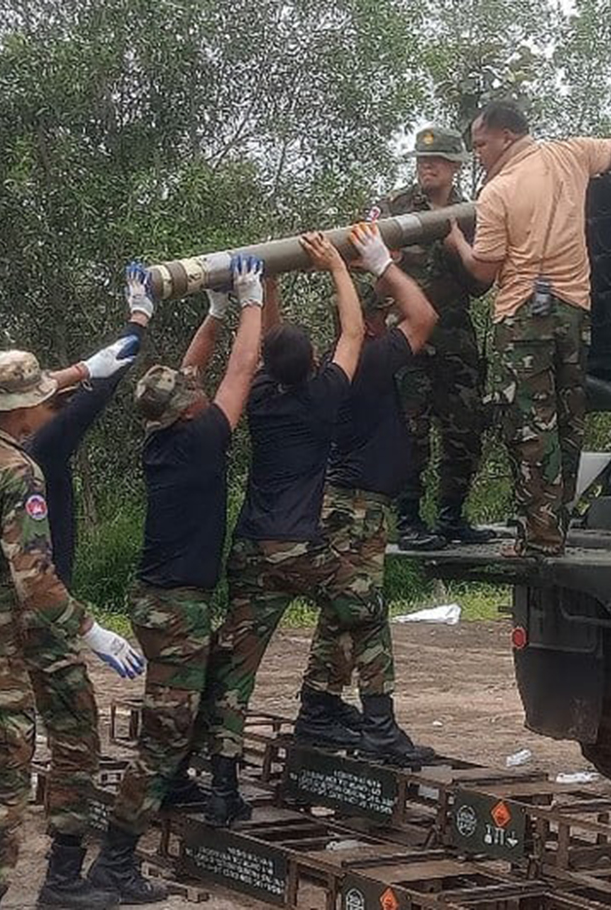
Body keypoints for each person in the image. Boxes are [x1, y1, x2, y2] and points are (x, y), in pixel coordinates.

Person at [204, 229, 406, 816]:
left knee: (237, 671)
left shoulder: (260, 394)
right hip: (301, 550)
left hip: (250, 551)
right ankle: (379, 724)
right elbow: (351, 332)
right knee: (365, 608)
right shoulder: (323, 397)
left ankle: (222, 790)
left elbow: (268, 341)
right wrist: (341, 267)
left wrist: (267, 280)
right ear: (314, 363)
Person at [86, 255, 264, 903]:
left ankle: (177, 783)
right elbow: (242, 371)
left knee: (182, 710)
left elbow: (193, 371)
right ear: (188, 413)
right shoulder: (202, 439)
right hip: (177, 609)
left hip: (158, 601)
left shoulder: (164, 434)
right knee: (162, 740)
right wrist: (251, 300)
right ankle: (116, 862)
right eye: (193, 395)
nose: (197, 391)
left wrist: (213, 311)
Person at [446, 100, 611, 556]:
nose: (477, 153)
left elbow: (483, 270)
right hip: (573, 310)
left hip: (522, 316)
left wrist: (458, 242)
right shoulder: (572, 154)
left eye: (480, 144)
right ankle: (556, 527)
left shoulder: (498, 192)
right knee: (568, 419)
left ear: (505, 137)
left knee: (529, 426)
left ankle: (539, 538)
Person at [23, 268, 153, 910]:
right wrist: (137, 320)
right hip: (42, 620)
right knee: (74, 740)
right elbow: (101, 392)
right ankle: (61, 881)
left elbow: (68, 387)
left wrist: (78, 369)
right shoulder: (41, 447)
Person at [293, 222, 439, 766]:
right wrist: (380, 264)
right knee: (367, 611)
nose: (386, 317)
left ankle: (318, 709)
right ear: (367, 326)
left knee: (343, 612)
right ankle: (379, 724)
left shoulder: (338, 368)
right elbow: (424, 317)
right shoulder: (369, 364)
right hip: (354, 507)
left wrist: (350, 269)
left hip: (350, 504)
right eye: (377, 314)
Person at [0, 350, 104, 910]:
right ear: (25, 410)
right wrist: (92, 631)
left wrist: (86, 370)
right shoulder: (18, 471)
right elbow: (35, 579)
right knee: (5, 780)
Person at [378, 125, 494, 550]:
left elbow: (480, 283)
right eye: (422, 161)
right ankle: (408, 520)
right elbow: (376, 267)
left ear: (454, 167)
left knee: (465, 428)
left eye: (436, 161)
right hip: (407, 336)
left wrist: (454, 245)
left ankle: (451, 517)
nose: (427, 167)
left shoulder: (472, 213)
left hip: (455, 336)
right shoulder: (396, 206)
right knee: (410, 431)